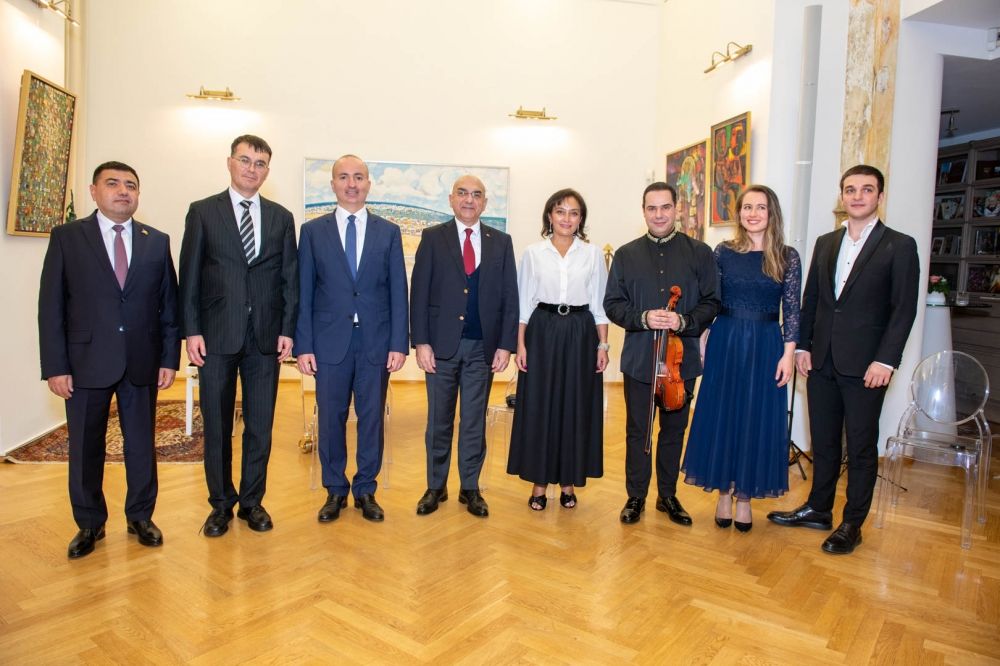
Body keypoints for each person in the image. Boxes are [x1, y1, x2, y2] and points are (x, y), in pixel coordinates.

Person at [767, 164, 919, 555]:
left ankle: (853, 522)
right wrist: (803, 346)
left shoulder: (899, 246)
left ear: (880, 197)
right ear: (842, 195)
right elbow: (813, 300)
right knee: (825, 441)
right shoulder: (826, 242)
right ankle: (819, 508)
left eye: (866, 189)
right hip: (821, 362)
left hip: (867, 366)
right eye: (850, 189)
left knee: (862, 447)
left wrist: (886, 361)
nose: (857, 196)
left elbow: (903, 310)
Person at [39, 161, 179, 558]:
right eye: (113, 184)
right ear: (93, 191)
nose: (123, 191)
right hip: (84, 363)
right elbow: (50, 307)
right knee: (85, 446)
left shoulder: (156, 240)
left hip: (141, 361)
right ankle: (89, 523)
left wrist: (169, 358)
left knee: (141, 444)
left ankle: (140, 516)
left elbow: (168, 306)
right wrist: (55, 366)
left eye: (131, 185)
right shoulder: (68, 237)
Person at [179, 135, 298, 537]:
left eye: (261, 163)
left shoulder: (281, 218)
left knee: (260, 426)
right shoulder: (202, 212)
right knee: (216, 426)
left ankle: (252, 502)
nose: (252, 168)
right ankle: (220, 504)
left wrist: (288, 330)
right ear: (230, 163)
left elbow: (289, 281)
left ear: (268, 170)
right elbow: (189, 277)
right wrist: (190, 330)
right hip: (215, 337)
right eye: (245, 160)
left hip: (265, 340)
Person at [681, 185, 801, 532]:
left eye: (760, 207)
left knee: (755, 417)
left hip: (767, 344)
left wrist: (789, 354)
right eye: (747, 207)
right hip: (726, 339)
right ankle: (722, 492)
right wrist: (702, 339)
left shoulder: (787, 256)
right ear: (739, 213)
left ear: (771, 212)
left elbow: (792, 311)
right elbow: (711, 300)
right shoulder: (724, 252)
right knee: (723, 415)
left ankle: (745, 496)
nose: (752, 213)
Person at [295, 155, 408, 523]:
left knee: (372, 418)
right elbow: (304, 293)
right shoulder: (313, 232)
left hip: (375, 342)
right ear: (333, 185)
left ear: (369, 183)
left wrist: (398, 343)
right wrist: (304, 345)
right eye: (343, 177)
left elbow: (397, 291)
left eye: (359, 177)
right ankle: (334, 490)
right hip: (329, 343)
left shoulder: (388, 232)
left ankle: (365, 490)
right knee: (331, 418)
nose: (352, 183)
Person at [604, 182, 720, 525]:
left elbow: (712, 301)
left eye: (665, 207)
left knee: (673, 430)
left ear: (677, 209)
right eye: (652, 208)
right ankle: (635, 496)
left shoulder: (700, 252)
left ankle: (667, 496)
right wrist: (642, 317)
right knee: (638, 431)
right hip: (640, 359)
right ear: (643, 211)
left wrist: (683, 319)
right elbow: (612, 304)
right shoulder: (625, 254)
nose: (659, 214)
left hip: (680, 362)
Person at [410, 175, 518, 518]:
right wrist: (421, 342)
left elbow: (509, 298)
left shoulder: (501, 242)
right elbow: (419, 293)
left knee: (473, 420)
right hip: (440, 348)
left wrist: (505, 345)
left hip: (482, 349)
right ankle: (435, 486)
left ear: (485, 203)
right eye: (463, 193)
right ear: (451, 199)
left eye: (477, 195)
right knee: (438, 420)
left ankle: (470, 487)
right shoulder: (433, 237)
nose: (469, 200)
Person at [506, 188, 609, 510]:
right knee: (540, 406)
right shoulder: (533, 253)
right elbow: (523, 304)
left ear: (581, 219)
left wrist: (603, 344)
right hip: (542, 331)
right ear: (550, 215)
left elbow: (599, 305)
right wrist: (520, 345)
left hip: (581, 333)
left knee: (576, 406)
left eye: (574, 212)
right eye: (561, 211)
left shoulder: (592, 255)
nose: (567, 218)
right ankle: (538, 484)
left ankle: (568, 483)